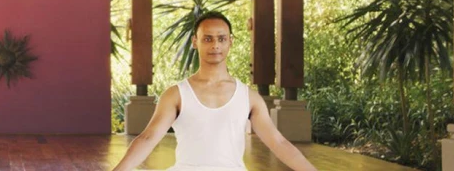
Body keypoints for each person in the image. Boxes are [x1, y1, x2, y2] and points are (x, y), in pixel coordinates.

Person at [110, 11, 317, 171]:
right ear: (195, 42)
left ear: (230, 41)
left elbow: (278, 142)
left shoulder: (249, 97)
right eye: (207, 39)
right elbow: (147, 139)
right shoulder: (176, 94)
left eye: (221, 38)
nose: (215, 45)